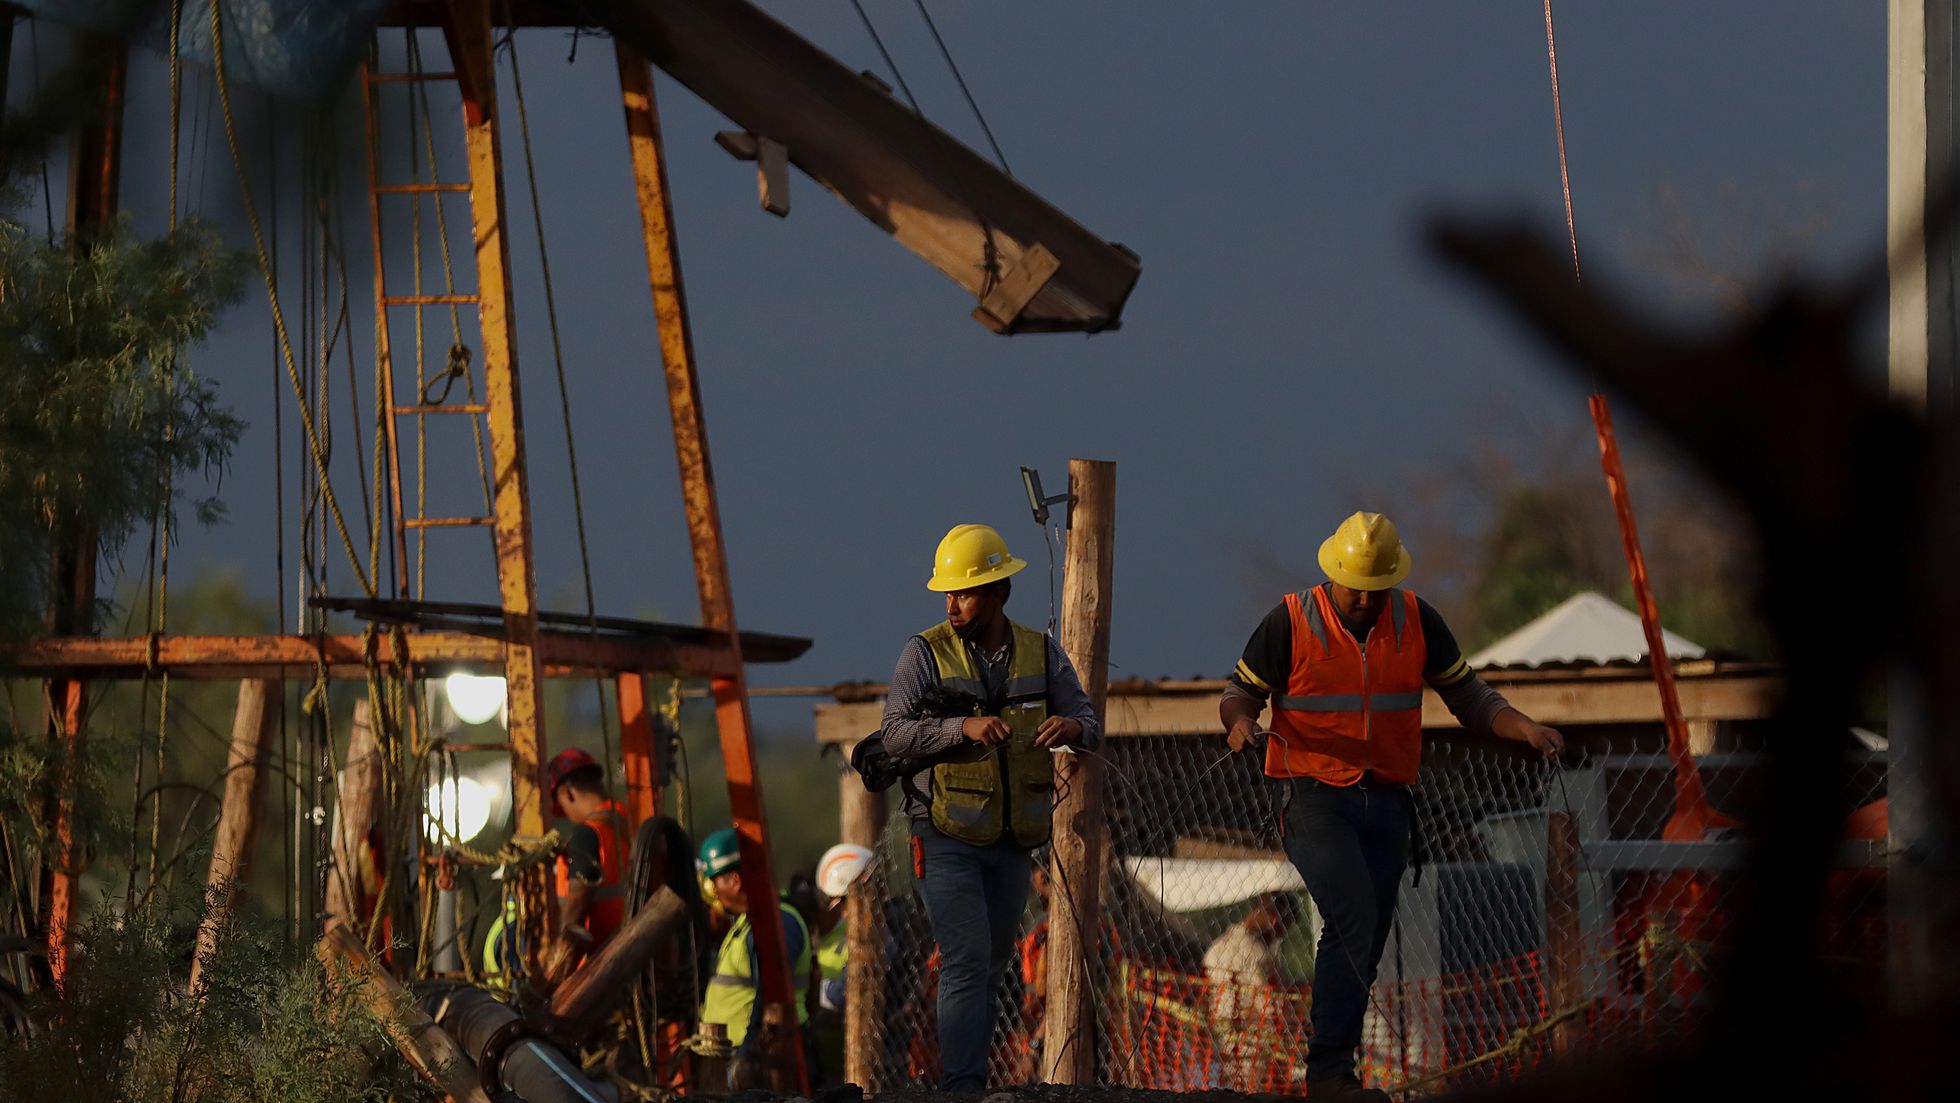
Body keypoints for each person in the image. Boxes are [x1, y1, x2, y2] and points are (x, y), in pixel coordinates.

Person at [1220, 512, 1563, 1102]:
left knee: (1369, 931)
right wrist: (1241, 723)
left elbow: (1469, 695)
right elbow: (1239, 692)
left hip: (1386, 801)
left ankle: (1338, 1067)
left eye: (1374, 588)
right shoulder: (1292, 619)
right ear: (1333, 573)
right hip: (1316, 797)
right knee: (1351, 910)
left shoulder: (1416, 618)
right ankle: (1328, 1073)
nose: (1363, 597)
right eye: (1354, 585)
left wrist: (1522, 726)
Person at [879, 523, 1100, 1090]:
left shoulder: (1039, 652)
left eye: (964, 592)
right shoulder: (923, 653)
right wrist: (962, 727)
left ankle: (970, 1078)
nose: (952, 603)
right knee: (967, 956)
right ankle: (963, 1086)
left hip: (1012, 839)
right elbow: (895, 736)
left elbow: (1091, 723)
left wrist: (1071, 724)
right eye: (947, 593)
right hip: (944, 833)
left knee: (995, 960)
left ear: (999, 591)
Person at [696, 826, 813, 1088]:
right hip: (743, 1057)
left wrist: (747, 1054)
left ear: (735, 881)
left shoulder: (779, 921)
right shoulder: (746, 925)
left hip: (769, 1061)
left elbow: (769, 995)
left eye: (715, 882)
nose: (713, 892)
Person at [539, 747, 634, 987]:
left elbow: (576, 905)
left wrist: (554, 975)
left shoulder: (588, 834)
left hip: (599, 972)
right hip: (633, 958)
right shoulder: (628, 821)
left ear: (568, 794)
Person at [1203, 893, 1302, 1089]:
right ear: (1275, 922)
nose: (1281, 936)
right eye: (1284, 929)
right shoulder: (1257, 954)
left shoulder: (1216, 947)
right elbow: (1269, 1006)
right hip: (1253, 1042)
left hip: (1219, 1038)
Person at [807, 843, 875, 1087]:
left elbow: (838, 995)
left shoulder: (872, 932)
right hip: (834, 1048)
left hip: (855, 1046)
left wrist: (819, 990)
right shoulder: (841, 932)